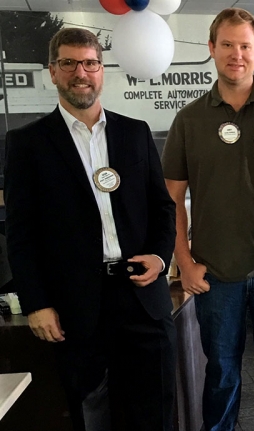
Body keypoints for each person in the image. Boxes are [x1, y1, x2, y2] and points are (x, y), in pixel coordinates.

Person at [4, 28, 177, 431]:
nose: (80, 73)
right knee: (92, 413)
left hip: (141, 296)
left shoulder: (134, 132)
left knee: (156, 410)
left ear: (102, 70)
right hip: (76, 305)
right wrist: (36, 303)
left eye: (89, 63)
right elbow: (21, 232)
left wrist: (158, 255)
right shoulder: (27, 144)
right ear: (52, 71)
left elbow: (162, 208)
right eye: (68, 63)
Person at [161, 8, 254, 431]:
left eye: (244, 46)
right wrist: (183, 262)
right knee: (221, 375)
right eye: (226, 45)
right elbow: (172, 200)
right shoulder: (189, 119)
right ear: (211, 50)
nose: (236, 54)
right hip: (214, 272)